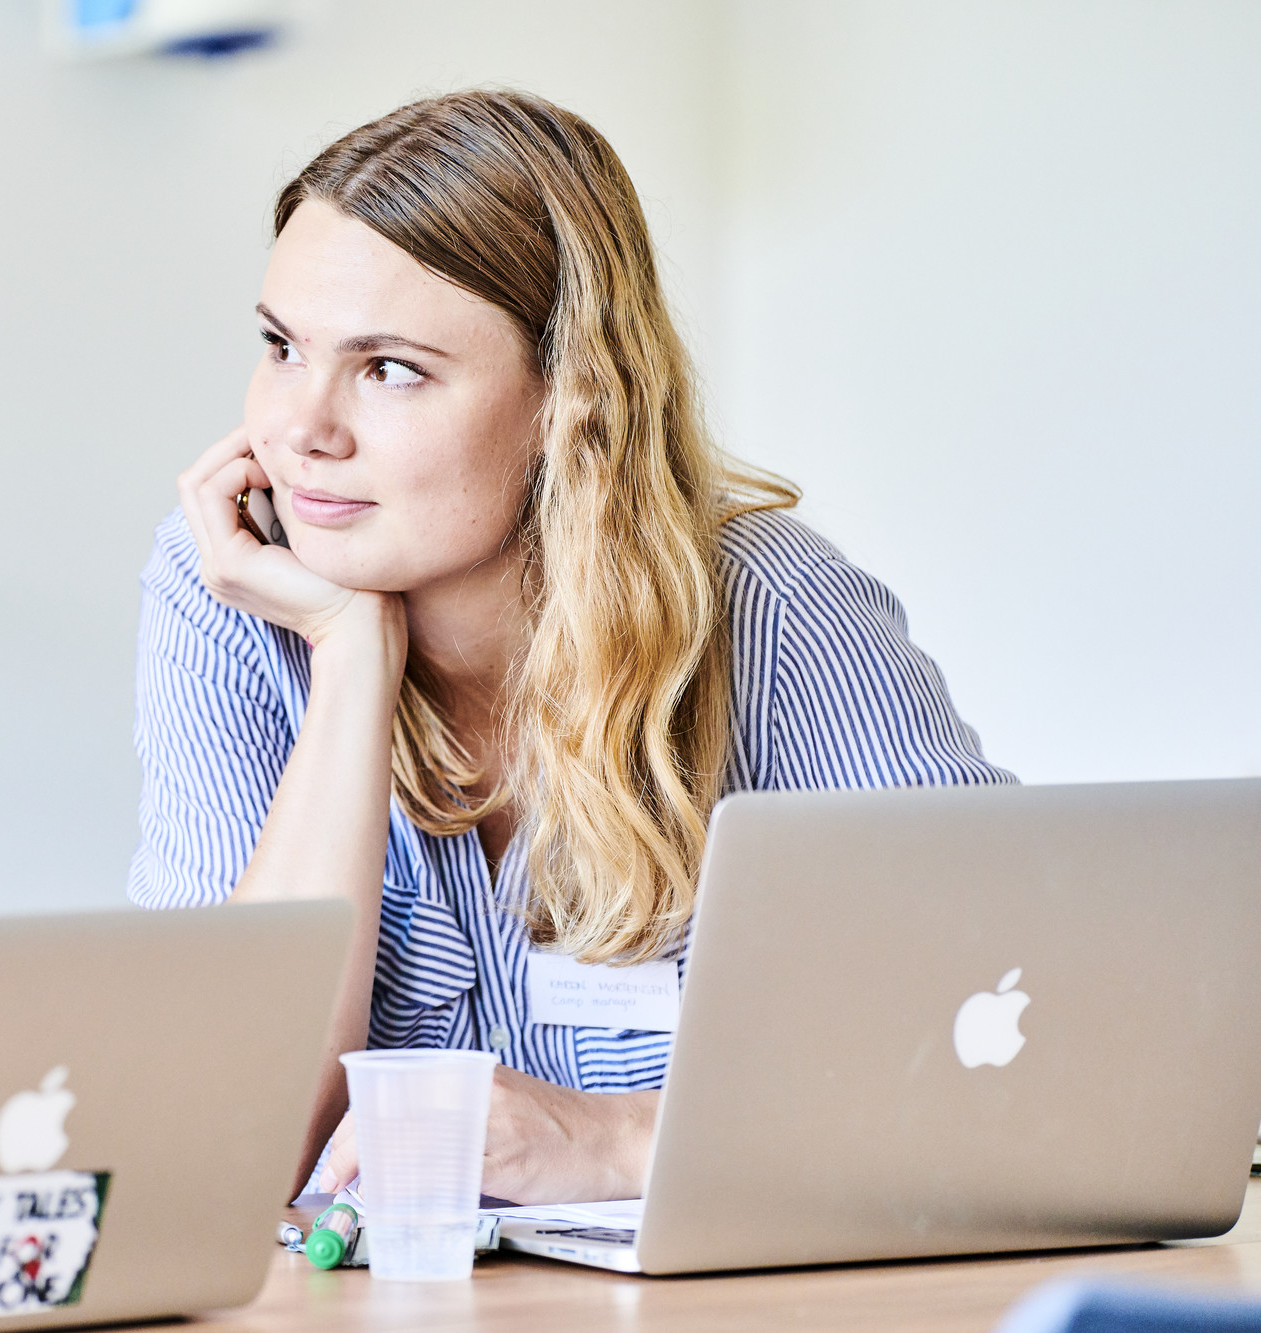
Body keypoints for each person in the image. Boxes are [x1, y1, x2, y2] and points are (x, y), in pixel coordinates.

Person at [127, 89, 1014, 1205]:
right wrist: (351, 653)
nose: (301, 428)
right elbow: (227, 1134)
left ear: (568, 397)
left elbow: (1010, 1068)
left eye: (389, 367)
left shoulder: (774, 612)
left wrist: (612, 1141)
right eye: (281, 347)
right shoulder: (231, 595)